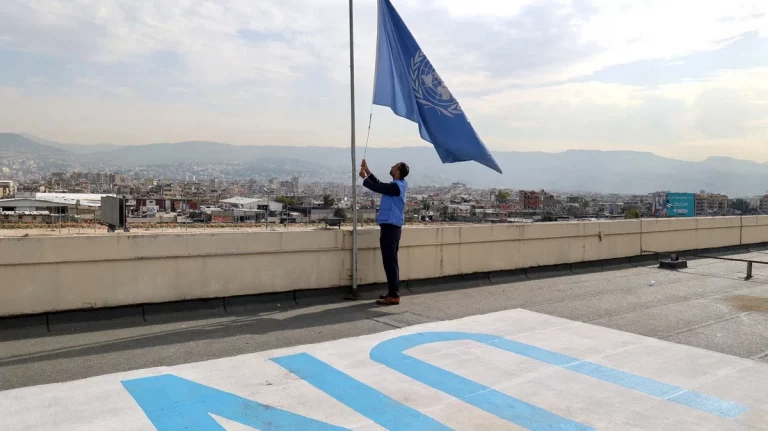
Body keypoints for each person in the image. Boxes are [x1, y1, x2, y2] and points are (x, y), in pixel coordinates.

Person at [359, 159, 409, 305]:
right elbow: (381, 184)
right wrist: (368, 171)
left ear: (397, 172)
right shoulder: (398, 185)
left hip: (390, 227)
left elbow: (378, 188)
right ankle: (393, 292)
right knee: (391, 262)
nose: (391, 167)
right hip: (393, 227)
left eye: (394, 167)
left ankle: (394, 295)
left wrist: (364, 179)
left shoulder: (396, 187)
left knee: (390, 262)